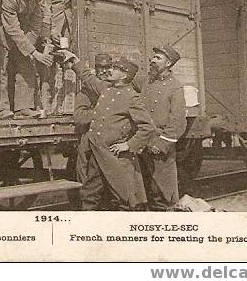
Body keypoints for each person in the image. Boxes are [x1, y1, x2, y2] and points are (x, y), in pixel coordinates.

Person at [62, 51, 156, 210]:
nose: (110, 71)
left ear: (124, 76)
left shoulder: (132, 97)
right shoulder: (106, 88)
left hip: (115, 156)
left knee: (123, 197)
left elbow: (148, 127)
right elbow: (88, 77)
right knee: (89, 193)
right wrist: (75, 60)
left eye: (115, 69)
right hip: (98, 151)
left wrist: (129, 145)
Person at [134, 45, 187, 211]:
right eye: (153, 57)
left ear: (168, 63)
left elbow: (178, 121)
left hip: (159, 147)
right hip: (142, 144)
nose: (152, 60)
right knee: (142, 192)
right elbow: (126, 74)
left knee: (161, 194)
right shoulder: (146, 81)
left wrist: (161, 145)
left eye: (158, 58)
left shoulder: (175, 87)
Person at [1, 0, 54, 118]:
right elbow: (12, 27)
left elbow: (36, 24)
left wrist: (29, 51)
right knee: (1, 65)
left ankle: (23, 107)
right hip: (3, 29)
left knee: (26, 63)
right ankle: (2, 108)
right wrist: (33, 52)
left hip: (23, 31)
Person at [73, 53, 112, 210]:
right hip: (90, 141)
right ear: (95, 69)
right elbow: (79, 117)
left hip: (109, 141)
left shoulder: (114, 86)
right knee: (88, 181)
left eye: (107, 67)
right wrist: (102, 113)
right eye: (100, 67)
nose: (104, 71)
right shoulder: (87, 91)